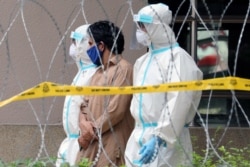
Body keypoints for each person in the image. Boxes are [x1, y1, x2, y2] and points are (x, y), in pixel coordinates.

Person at [125, 3, 203, 167]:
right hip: (139, 136)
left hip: (167, 140)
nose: (140, 31)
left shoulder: (178, 59)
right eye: (138, 26)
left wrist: (160, 137)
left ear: (157, 27)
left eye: (143, 26)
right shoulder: (143, 61)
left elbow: (179, 101)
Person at [75, 20, 134, 167]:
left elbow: (116, 110)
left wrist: (90, 133)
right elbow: (84, 105)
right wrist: (83, 124)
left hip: (110, 144)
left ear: (101, 46)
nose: (88, 49)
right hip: (90, 145)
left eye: (90, 44)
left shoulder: (123, 69)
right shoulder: (98, 72)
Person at [56, 24, 98, 167]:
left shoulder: (95, 74)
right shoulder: (82, 73)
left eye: (76, 42)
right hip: (70, 142)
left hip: (83, 142)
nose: (73, 46)